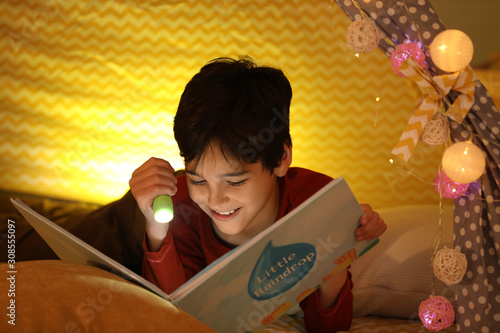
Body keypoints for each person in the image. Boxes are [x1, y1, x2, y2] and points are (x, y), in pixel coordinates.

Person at [129, 56, 386, 332]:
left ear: (280, 159)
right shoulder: (180, 205)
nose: (216, 200)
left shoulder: (314, 202)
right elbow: (172, 315)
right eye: (199, 180)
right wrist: (156, 227)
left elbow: (330, 327)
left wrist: (338, 251)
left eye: (235, 182)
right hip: (131, 221)